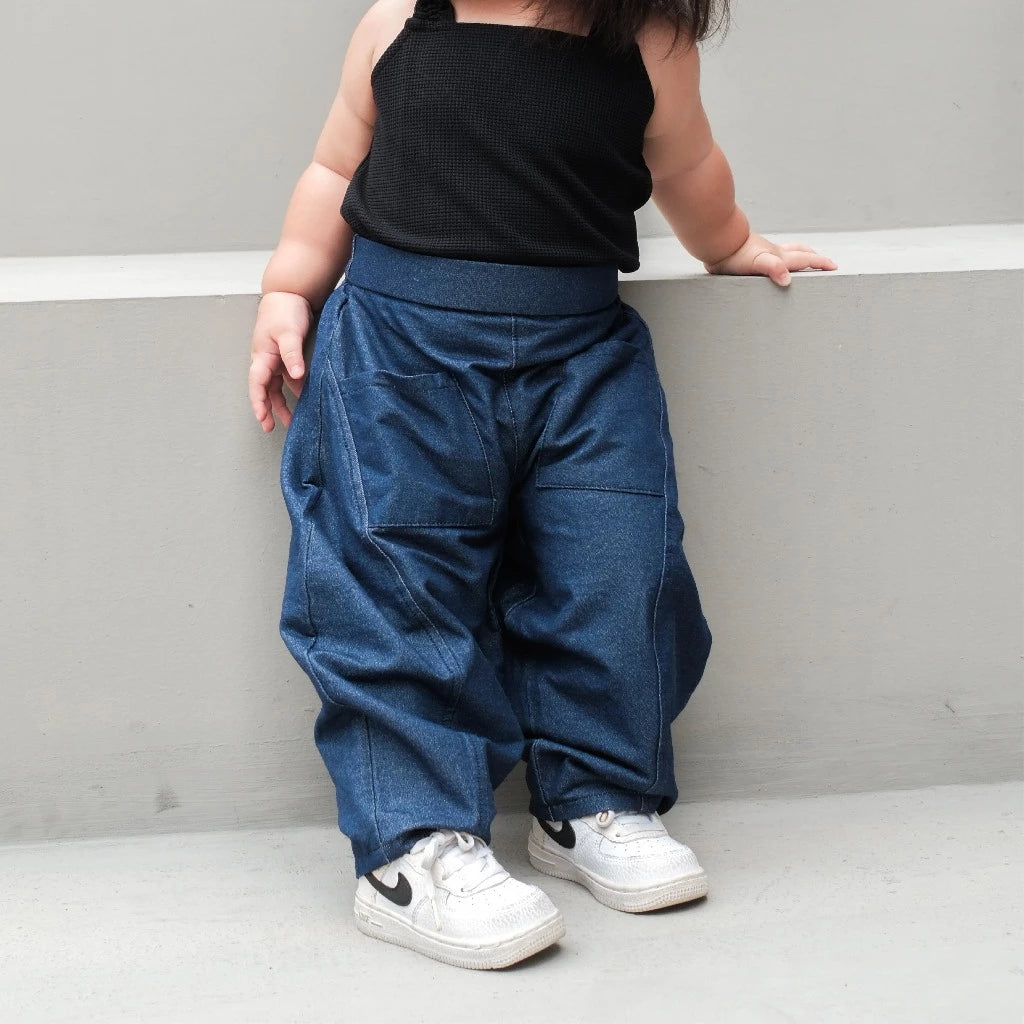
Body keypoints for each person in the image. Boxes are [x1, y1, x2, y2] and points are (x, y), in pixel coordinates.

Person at [248, 0, 836, 971]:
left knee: (615, 569)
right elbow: (335, 167)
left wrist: (727, 244)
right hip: (402, 357)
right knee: (395, 586)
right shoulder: (401, 23)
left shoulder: (647, 40)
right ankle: (412, 844)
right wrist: (288, 287)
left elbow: (686, 167)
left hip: (581, 357)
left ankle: (594, 796)